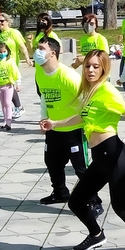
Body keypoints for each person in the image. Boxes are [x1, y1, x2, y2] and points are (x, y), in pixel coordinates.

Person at [39, 50, 125, 250]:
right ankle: (96, 234)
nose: (91, 70)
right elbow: (82, 116)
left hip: (115, 157)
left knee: (122, 208)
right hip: (100, 159)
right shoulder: (89, 91)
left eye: (96, 66)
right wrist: (55, 123)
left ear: (104, 68)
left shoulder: (106, 90)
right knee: (76, 202)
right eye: (88, 66)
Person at [35, 36, 101, 215]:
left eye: (41, 48)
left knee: (81, 168)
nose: (37, 52)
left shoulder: (68, 75)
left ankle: (93, 200)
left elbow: (86, 101)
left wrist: (89, 128)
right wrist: (43, 118)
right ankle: (60, 193)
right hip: (53, 128)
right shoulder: (40, 72)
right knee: (52, 162)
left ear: (53, 53)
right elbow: (43, 96)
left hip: (73, 130)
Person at [0, 14, 32, 118]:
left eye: (2, 21)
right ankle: (7, 108)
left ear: (7, 21)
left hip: (10, 63)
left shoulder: (14, 32)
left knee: (7, 85)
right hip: (0, 64)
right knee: (0, 85)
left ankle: (19, 107)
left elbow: (22, 46)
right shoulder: (0, 35)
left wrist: (27, 58)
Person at [0, 41, 21, 131]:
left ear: (7, 51)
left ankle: (9, 122)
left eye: (4, 51)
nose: (2, 53)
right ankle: (5, 120)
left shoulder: (10, 62)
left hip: (8, 86)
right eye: (0, 52)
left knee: (8, 103)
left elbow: (16, 73)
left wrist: (18, 83)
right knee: (3, 103)